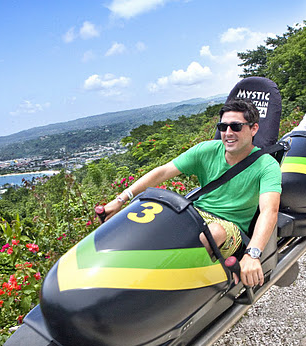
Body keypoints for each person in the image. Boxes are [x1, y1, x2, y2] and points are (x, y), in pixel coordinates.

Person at [102, 99, 282, 288]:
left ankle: (163, 283)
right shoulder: (207, 150)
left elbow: (269, 210)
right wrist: (121, 199)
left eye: (236, 127)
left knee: (213, 233)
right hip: (196, 213)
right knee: (155, 219)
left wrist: (252, 254)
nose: (228, 133)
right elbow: (163, 172)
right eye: (223, 126)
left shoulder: (267, 165)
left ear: (253, 129)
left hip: (229, 226)